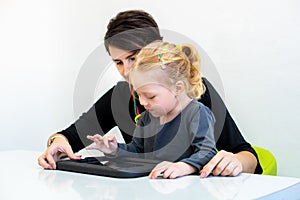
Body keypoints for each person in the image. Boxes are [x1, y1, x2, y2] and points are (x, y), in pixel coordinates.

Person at [38, 10, 262, 177]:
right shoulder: (120, 96)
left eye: (133, 58)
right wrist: (57, 143)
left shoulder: (195, 92)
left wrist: (236, 162)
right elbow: (70, 136)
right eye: (118, 62)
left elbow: (247, 155)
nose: (127, 71)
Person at [86, 41, 217, 179]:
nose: (142, 102)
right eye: (138, 95)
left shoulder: (196, 113)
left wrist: (184, 166)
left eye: (150, 96)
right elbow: (137, 151)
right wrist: (114, 150)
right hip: (152, 185)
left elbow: (207, 151)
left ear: (177, 88)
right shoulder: (146, 118)